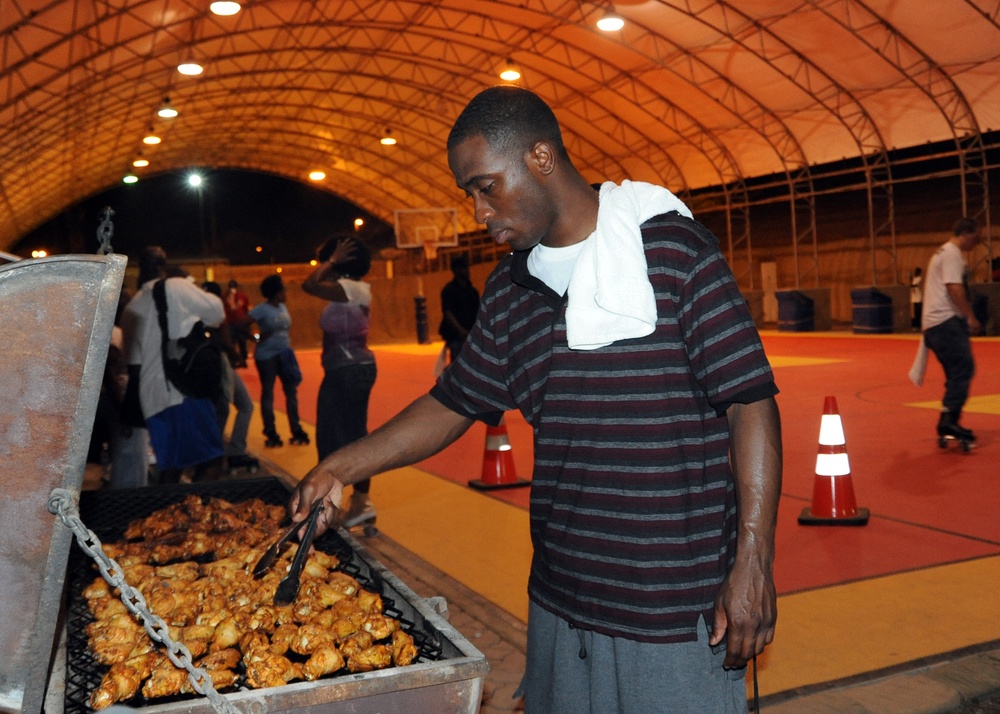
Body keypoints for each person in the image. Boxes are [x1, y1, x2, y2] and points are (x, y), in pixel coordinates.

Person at [290, 86, 782, 713]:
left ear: (542, 158)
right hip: (559, 603)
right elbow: (455, 402)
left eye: (486, 186)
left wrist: (753, 562)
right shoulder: (512, 289)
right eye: (470, 193)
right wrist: (340, 466)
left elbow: (750, 401)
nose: (477, 211)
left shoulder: (674, 255)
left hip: (671, 612)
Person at [120, 247, 226, 484]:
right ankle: (200, 515)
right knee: (212, 460)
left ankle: (166, 516)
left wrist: (129, 416)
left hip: (152, 400)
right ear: (162, 266)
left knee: (171, 468)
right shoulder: (176, 286)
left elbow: (134, 368)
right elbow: (217, 313)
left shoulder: (131, 309)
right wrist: (188, 283)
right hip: (182, 392)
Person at [301, 234, 378, 528]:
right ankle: (356, 503)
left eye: (329, 260)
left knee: (338, 438)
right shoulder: (349, 289)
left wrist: (332, 260)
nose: (324, 265)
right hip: (346, 370)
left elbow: (309, 284)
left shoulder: (352, 288)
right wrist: (333, 260)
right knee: (342, 435)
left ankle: (345, 504)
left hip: (350, 371)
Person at [921, 217, 981, 444]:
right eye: (976, 237)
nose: (977, 243)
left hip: (933, 326)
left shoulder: (941, 252)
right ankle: (948, 420)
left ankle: (949, 418)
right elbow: (954, 288)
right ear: (966, 233)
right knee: (965, 368)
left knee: (955, 372)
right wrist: (970, 317)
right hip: (945, 322)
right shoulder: (953, 254)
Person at [245, 274, 309, 448]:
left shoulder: (282, 307)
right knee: (268, 393)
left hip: (285, 354)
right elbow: (241, 324)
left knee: (291, 392)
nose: (286, 293)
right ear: (275, 293)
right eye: (283, 290)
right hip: (267, 357)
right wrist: (256, 337)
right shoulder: (261, 309)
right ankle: (270, 431)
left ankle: (296, 429)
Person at [202, 281, 259, 473]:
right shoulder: (216, 310)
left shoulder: (200, 312)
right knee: (233, 407)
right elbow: (226, 342)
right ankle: (220, 452)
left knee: (227, 407)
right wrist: (234, 355)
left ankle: (221, 451)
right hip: (221, 364)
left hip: (214, 365)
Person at [439, 254, 480, 363]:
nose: (466, 271)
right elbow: (448, 313)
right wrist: (460, 330)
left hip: (471, 335)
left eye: (467, 268)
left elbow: (478, 313)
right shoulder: (449, 290)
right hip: (456, 336)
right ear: (455, 271)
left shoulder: (472, 292)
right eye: (463, 268)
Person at [224, 279, 252, 367]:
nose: (232, 289)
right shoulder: (224, 297)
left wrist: (248, 321)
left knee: (242, 342)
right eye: (231, 287)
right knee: (231, 343)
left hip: (241, 324)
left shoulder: (242, 296)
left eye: (234, 287)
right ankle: (233, 361)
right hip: (230, 323)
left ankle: (243, 359)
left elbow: (248, 308)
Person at [910, 266, 923, 330]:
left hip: (918, 297)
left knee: (919, 311)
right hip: (915, 297)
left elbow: (916, 285)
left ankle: (919, 325)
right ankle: (917, 325)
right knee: (916, 312)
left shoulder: (919, 278)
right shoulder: (914, 279)